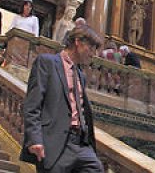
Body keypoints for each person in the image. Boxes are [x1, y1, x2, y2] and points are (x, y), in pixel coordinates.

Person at [21, 20, 105, 173]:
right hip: (55, 143)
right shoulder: (47, 62)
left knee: (96, 168)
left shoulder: (81, 75)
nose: (93, 54)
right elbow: (32, 105)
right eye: (91, 48)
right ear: (78, 42)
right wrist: (34, 139)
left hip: (80, 144)